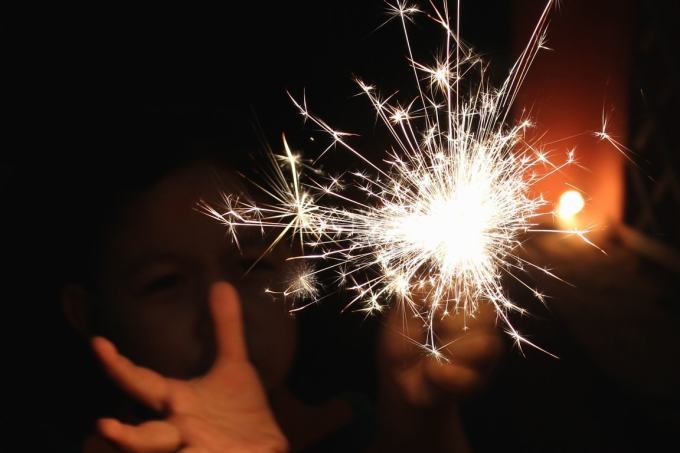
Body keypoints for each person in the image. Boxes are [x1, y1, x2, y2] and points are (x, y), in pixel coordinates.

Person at [56, 136, 503, 452]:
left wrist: (419, 423)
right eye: (166, 282)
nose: (224, 309)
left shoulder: (356, 431)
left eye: (252, 265)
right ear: (88, 314)